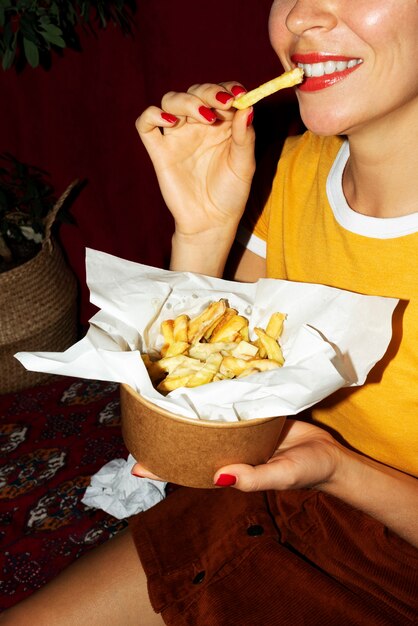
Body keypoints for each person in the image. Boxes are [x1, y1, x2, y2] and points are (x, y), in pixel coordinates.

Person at [2, 1, 417, 624]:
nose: (303, 15)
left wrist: (338, 471)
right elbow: (190, 402)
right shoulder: (293, 168)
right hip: (273, 506)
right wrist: (202, 230)